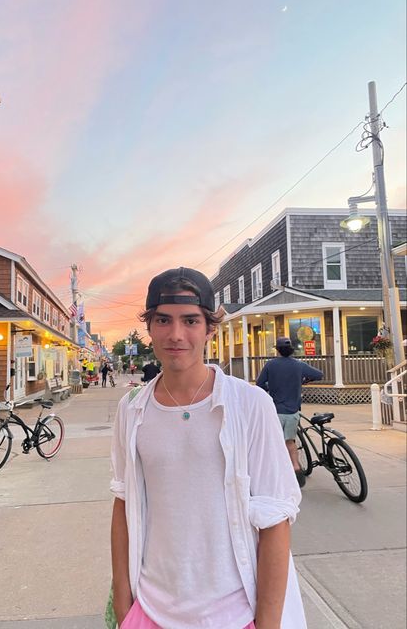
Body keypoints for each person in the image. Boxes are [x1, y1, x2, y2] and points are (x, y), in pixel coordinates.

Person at [110, 267, 306, 629]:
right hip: (151, 609)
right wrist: (124, 605)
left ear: (209, 328)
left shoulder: (251, 404)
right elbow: (124, 501)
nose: (176, 335)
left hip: (237, 612)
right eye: (163, 320)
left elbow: (275, 518)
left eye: (190, 320)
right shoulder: (132, 409)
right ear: (150, 327)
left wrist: (267, 624)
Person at [256, 337, 323, 487]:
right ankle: (296, 468)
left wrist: (271, 387)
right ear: (291, 350)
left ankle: (276, 474)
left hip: (276, 412)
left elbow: (259, 384)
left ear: (277, 350)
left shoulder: (270, 365)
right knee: (290, 442)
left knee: (275, 443)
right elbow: (319, 374)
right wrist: (303, 380)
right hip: (293, 412)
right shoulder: (299, 365)